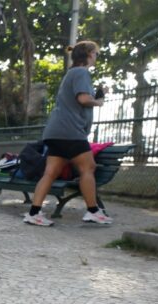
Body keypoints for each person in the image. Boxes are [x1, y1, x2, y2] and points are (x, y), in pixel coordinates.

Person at [23, 41, 111, 227]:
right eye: (96, 53)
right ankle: (93, 211)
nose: (96, 57)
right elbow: (83, 99)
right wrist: (98, 102)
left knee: (50, 173)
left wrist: (98, 95)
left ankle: (34, 213)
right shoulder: (81, 72)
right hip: (70, 131)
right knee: (88, 167)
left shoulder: (72, 73)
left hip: (55, 131)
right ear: (89, 54)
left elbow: (79, 99)